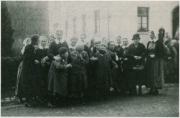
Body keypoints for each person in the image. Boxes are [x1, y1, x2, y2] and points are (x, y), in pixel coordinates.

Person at [21, 34, 40, 107]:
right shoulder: (29, 47)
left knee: (31, 84)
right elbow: (27, 58)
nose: (38, 41)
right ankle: (28, 101)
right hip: (28, 69)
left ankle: (31, 100)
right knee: (28, 84)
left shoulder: (32, 47)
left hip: (31, 69)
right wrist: (34, 61)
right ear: (36, 40)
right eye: (38, 39)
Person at [146, 30, 165, 95]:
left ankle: (156, 89)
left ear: (154, 35)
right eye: (150, 35)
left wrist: (155, 55)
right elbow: (147, 52)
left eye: (152, 35)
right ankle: (151, 88)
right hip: (150, 61)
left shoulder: (159, 42)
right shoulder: (148, 43)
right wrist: (148, 56)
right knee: (150, 74)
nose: (151, 36)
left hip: (157, 61)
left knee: (155, 73)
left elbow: (162, 52)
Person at [15, 38, 31, 103]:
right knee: (21, 80)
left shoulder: (30, 48)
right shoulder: (23, 49)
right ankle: (20, 96)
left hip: (29, 66)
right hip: (23, 66)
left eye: (29, 42)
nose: (28, 43)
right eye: (27, 42)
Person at [35, 36, 50, 103]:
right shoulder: (38, 50)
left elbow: (50, 57)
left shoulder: (48, 49)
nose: (43, 43)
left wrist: (46, 61)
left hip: (47, 67)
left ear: (46, 42)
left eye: (44, 41)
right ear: (39, 42)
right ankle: (41, 97)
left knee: (47, 81)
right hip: (40, 68)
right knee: (41, 81)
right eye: (42, 41)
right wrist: (39, 61)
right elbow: (36, 58)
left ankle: (47, 97)